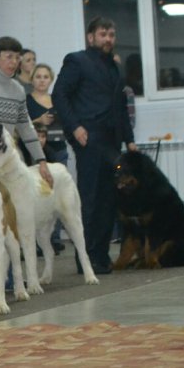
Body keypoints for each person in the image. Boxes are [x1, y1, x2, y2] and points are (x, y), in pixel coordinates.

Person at [51, 16, 137, 275]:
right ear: (91, 37)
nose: (108, 39)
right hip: (88, 138)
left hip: (112, 140)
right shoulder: (77, 60)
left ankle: (100, 254)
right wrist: (75, 127)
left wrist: (130, 140)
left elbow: (120, 106)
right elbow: (59, 95)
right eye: (103, 34)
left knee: (109, 199)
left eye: (111, 34)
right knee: (90, 199)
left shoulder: (115, 67)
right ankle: (85, 258)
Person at [0, 36, 53, 186]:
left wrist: (41, 161)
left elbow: (26, 128)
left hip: (7, 161)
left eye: (17, 57)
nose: (14, 62)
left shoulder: (18, 90)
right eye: (9, 57)